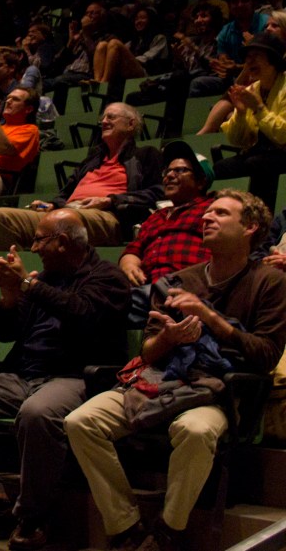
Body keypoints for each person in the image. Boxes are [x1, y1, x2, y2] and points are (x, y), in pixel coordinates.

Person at [66, 190, 286, 551]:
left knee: (194, 429)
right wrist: (168, 338)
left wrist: (209, 317)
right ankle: (125, 526)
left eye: (221, 213)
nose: (207, 218)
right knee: (81, 422)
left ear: (250, 227)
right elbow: (149, 353)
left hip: (218, 391)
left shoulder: (270, 282)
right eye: (208, 212)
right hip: (162, 380)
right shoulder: (178, 280)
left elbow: (264, 355)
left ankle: (169, 529)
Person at [0, 209, 131, 550]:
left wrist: (27, 285)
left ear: (62, 242)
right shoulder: (44, 280)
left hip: (75, 376)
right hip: (23, 374)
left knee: (37, 413)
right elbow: (5, 333)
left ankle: (33, 518)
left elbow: (83, 314)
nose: (33, 247)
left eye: (39, 239)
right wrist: (9, 296)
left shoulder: (108, 278)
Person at [0, 102, 162, 250]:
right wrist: (51, 204)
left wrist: (111, 200)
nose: (103, 121)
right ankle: (20, 276)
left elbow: (157, 193)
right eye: (103, 118)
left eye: (111, 117)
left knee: (65, 220)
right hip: (68, 211)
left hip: (109, 216)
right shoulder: (92, 158)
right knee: (1, 217)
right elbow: (65, 193)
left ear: (131, 124)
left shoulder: (145, 155)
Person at [120, 142, 215, 326]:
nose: (169, 176)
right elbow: (134, 248)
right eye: (167, 171)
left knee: (104, 306)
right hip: (147, 289)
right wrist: (129, 264)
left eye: (180, 170)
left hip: (187, 288)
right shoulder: (157, 216)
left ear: (201, 181)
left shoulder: (212, 209)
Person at [213, 31, 286, 210]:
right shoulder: (253, 89)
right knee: (221, 167)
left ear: (273, 60)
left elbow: (284, 135)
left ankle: (260, 216)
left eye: (256, 56)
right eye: (247, 57)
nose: (249, 62)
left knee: (257, 164)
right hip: (260, 153)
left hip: (282, 152)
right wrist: (240, 111)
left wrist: (259, 109)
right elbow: (238, 140)